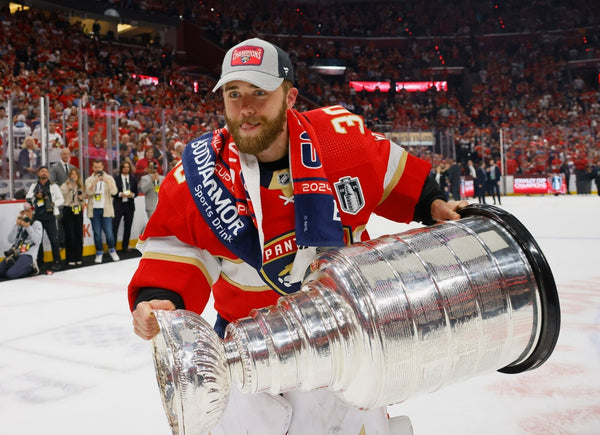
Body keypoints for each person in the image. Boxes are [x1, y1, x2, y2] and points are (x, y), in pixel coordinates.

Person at [128, 38, 467, 435]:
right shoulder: (200, 175)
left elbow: (397, 174)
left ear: (290, 97)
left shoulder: (342, 141)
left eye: (259, 92)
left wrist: (434, 204)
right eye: (233, 94)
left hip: (344, 349)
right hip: (249, 359)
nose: (245, 108)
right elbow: (175, 250)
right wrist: (160, 300)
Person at [25, 165, 64, 273]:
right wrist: (35, 196)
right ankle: (39, 262)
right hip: (38, 217)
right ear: (38, 173)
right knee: (38, 241)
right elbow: (27, 197)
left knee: (54, 240)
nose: (44, 173)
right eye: (42, 171)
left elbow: (61, 199)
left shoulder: (53, 186)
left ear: (48, 174)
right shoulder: (34, 185)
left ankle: (57, 262)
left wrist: (53, 203)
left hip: (50, 216)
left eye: (46, 171)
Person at [85, 159, 120, 263]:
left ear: (102, 167)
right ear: (92, 168)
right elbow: (88, 192)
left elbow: (114, 192)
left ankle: (112, 250)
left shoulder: (109, 178)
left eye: (99, 167)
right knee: (97, 233)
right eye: (95, 167)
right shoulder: (89, 180)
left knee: (109, 233)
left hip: (106, 210)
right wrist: (95, 182)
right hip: (94, 210)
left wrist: (107, 182)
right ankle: (99, 252)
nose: (97, 169)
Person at [0, 204, 42, 279]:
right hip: (16, 253)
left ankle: (31, 268)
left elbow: (38, 241)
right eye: (26, 212)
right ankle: (16, 267)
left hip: (28, 254)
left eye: (30, 211)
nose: (29, 213)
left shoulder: (37, 223)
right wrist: (17, 225)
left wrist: (28, 227)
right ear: (21, 213)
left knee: (11, 274)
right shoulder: (19, 224)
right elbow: (10, 240)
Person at [60, 167, 85, 266]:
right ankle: (70, 258)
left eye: (76, 174)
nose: (74, 176)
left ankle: (78, 257)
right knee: (70, 235)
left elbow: (83, 201)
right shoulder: (64, 185)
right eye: (72, 174)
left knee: (79, 234)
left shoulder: (81, 187)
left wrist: (81, 198)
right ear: (69, 176)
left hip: (78, 210)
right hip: (68, 210)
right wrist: (68, 188)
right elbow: (61, 197)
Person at [112, 160, 138, 252]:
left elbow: (136, 193)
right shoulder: (116, 179)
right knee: (115, 226)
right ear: (121, 168)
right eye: (124, 167)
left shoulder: (133, 179)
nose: (126, 169)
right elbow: (112, 192)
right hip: (118, 205)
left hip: (129, 206)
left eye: (127, 167)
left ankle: (125, 246)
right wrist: (120, 194)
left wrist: (132, 195)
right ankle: (113, 247)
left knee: (128, 226)